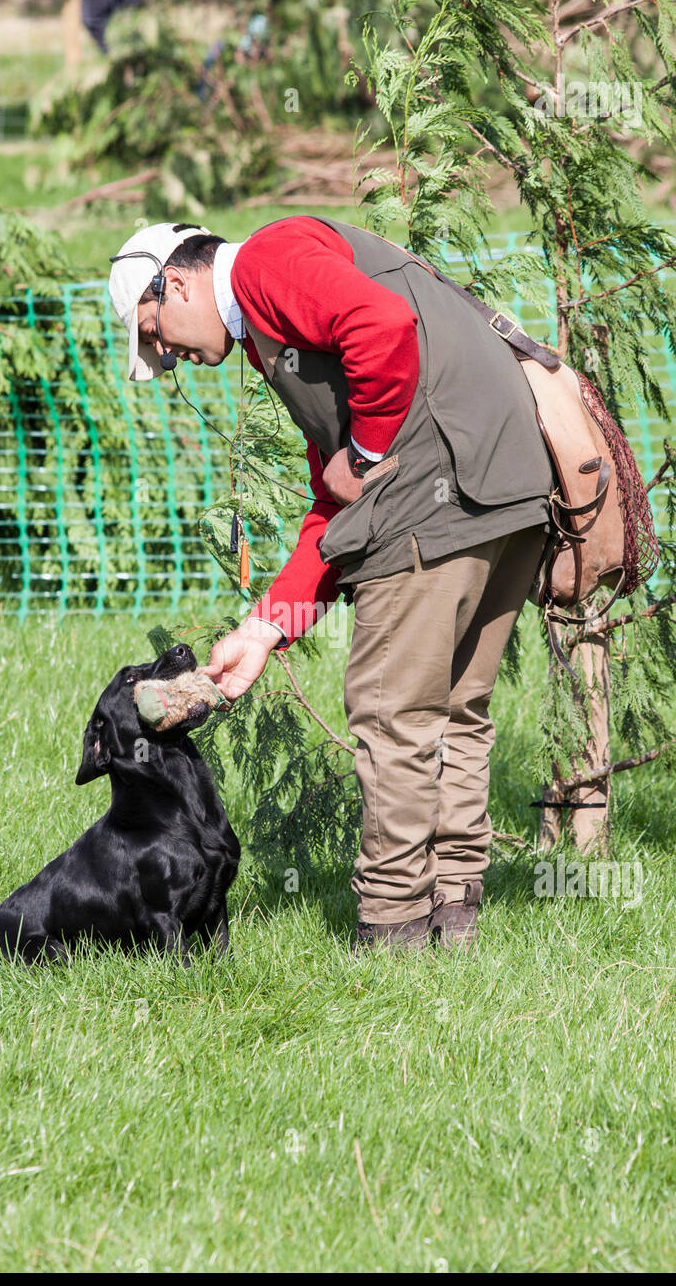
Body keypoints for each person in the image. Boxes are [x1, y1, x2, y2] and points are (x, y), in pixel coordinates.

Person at [108, 216, 555, 954]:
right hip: (506, 490)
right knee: (456, 710)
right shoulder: (273, 317)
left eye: (155, 333)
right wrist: (263, 630)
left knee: (391, 716)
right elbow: (334, 501)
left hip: (436, 500)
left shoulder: (263, 266)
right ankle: (454, 917)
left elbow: (383, 327)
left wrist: (371, 445)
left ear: (177, 283)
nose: (171, 358)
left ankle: (391, 933)